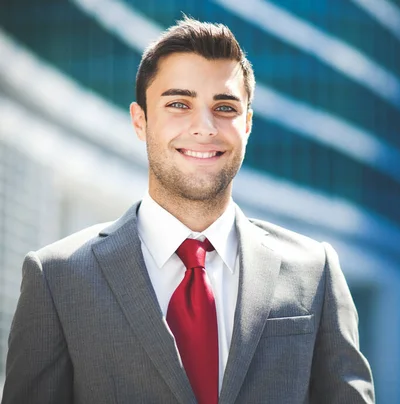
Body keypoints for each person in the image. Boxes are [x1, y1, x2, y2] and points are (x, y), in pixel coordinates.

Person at [1, 17, 375, 404]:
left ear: (247, 124)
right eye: (179, 104)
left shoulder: (315, 273)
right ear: (140, 121)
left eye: (225, 107)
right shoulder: (58, 278)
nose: (204, 127)